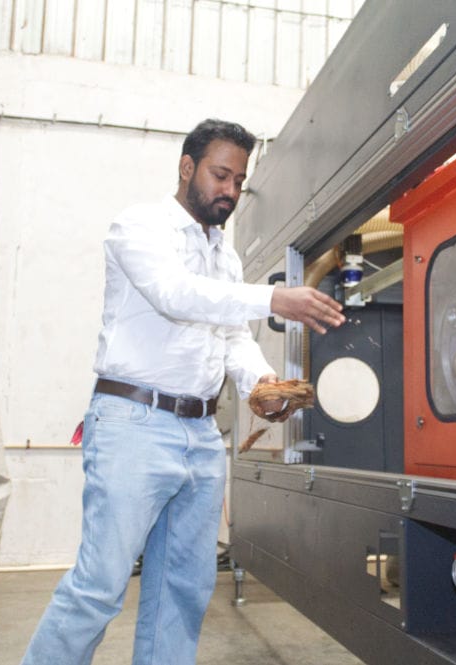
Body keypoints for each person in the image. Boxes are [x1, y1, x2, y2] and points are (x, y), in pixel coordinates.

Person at [20, 118, 344, 665]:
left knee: (183, 590)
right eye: (221, 175)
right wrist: (273, 300)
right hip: (133, 422)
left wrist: (259, 380)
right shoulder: (139, 226)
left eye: (240, 181)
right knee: (100, 585)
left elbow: (231, 335)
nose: (231, 192)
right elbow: (176, 295)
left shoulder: (226, 255)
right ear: (187, 167)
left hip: (198, 434)